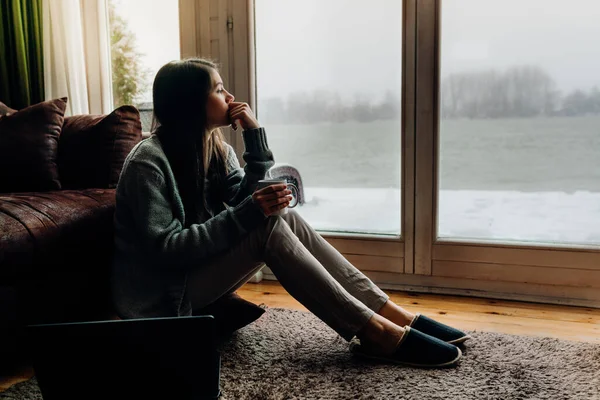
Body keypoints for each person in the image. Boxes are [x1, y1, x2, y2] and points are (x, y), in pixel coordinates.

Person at [111, 58, 471, 368]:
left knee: (282, 217)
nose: (231, 97)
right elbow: (167, 250)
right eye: (219, 90)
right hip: (162, 297)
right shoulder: (148, 163)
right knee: (264, 228)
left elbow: (244, 197)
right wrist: (250, 211)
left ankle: (393, 314)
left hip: (191, 277)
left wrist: (254, 137)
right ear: (191, 101)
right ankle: (374, 332)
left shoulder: (213, 148)